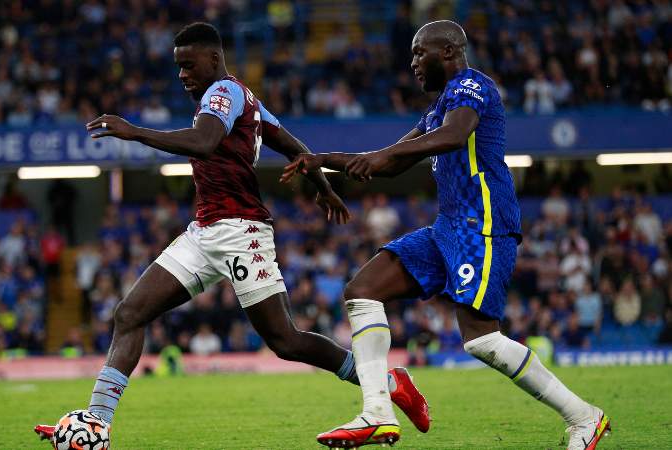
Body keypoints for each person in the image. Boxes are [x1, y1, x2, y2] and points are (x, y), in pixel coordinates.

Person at [34, 22, 429, 445]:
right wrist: (325, 190)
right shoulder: (247, 100)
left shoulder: (222, 93)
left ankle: (387, 383)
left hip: (243, 233)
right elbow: (295, 147)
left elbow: (204, 142)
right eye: (177, 67)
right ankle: (96, 419)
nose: (182, 74)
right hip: (204, 232)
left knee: (286, 340)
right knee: (130, 313)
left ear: (214, 58)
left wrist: (134, 132)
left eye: (189, 65)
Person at [282, 20, 609, 450]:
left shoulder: (472, 87)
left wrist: (382, 155)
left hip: (483, 223)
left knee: (482, 339)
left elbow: (455, 137)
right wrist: (321, 159)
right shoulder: (436, 110)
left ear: (450, 52)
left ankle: (584, 417)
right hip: (447, 227)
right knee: (362, 290)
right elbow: (392, 162)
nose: (413, 62)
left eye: (421, 53)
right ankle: (377, 412)